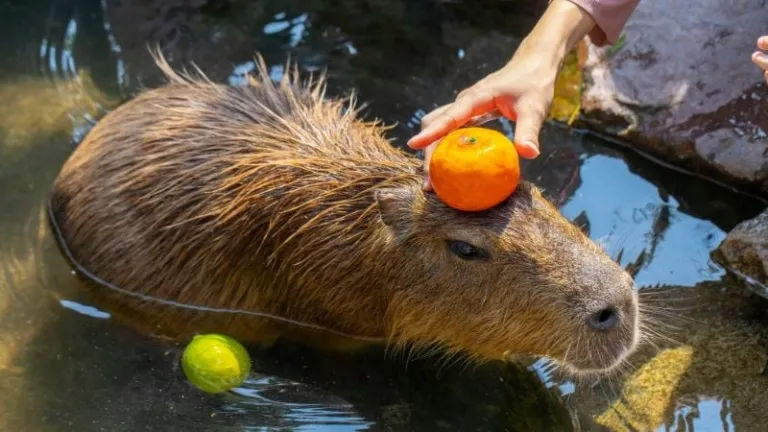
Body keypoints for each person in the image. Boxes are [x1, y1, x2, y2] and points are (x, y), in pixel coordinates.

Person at [406, 0, 640, 191]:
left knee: (552, 123)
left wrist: (541, 55)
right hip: (460, 18)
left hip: (545, 12)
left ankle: (561, 169)